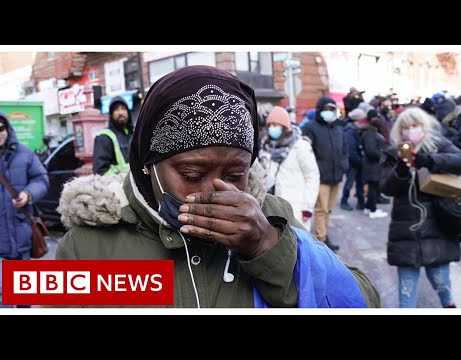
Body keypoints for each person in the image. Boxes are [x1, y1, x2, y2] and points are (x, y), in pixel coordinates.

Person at [55, 65, 380, 308]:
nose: (217, 189)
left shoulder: (271, 217)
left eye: (236, 172)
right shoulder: (90, 242)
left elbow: (362, 299)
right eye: (193, 173)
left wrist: (267, 248)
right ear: (147, 163)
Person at [380, 107, 461, 308]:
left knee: (442, 284)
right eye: (405, 127)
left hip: (438, 227)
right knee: (406, 293)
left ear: (423, 126)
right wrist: (401, 171)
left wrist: (431, 161)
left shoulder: (437, 145)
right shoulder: (393, 152)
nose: (410, 131)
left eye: (415, 126)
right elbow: (386, 187)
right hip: (406, 231)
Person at [0, 105, 49, 308]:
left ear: (7, 128)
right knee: (4, 298)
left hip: (22, 240)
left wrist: (28, 194)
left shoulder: (24, 153)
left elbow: (41, 179)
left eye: (0, 129)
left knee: (24, 298)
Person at [258, 106, 320, 230]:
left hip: (295, 205)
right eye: (270, 125)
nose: (272, 129)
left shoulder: (300, 146)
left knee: (297, 243)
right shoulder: (266, 146)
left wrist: (307, 207)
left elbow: (312, 177)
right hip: (272, 205)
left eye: (276, 125)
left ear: (285, 127)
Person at [301, 96, 348, 252]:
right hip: (320, 177)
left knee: (328, 209)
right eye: (326, 109)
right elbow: (306, 153)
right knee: (321, 209)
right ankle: (322, 240)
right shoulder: (310, 128)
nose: (329, 112)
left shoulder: (339, 128)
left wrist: (343, 165)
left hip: (336, 176)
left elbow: (344, 150)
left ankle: (324, 234)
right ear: (320, 110)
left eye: (331, 109)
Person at [93, 96, 134, 176]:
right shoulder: (104, 136)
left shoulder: (133, 133)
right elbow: (101, 171)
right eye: (116, 109)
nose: (120, 112)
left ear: (128, 112)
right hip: (117, 186)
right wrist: (118, 181)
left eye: (123, 108)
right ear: (111, 114)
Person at [360, 110, 387, 219]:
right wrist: (382, 155)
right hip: (372, 165)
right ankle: (373, 209)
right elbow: (370, 151)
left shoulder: (372, 132)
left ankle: (368, 207)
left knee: (373, 187)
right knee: (372, 187)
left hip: (373, 165)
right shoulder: (370, 134)